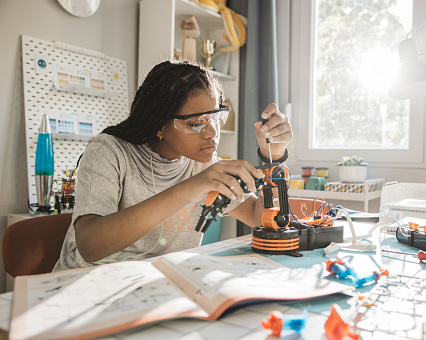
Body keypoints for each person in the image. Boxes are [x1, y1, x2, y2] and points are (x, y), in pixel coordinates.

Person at [53, 61, 293, 271]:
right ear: (159, 124)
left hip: (157, 287)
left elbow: (259, 217)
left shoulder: (203, 165)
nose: (212, 133)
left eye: (216, 118)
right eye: (197, 122)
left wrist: (273, 155)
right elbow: (90, 246)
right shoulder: (109, 152)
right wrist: (191, 188)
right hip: (84, 285)